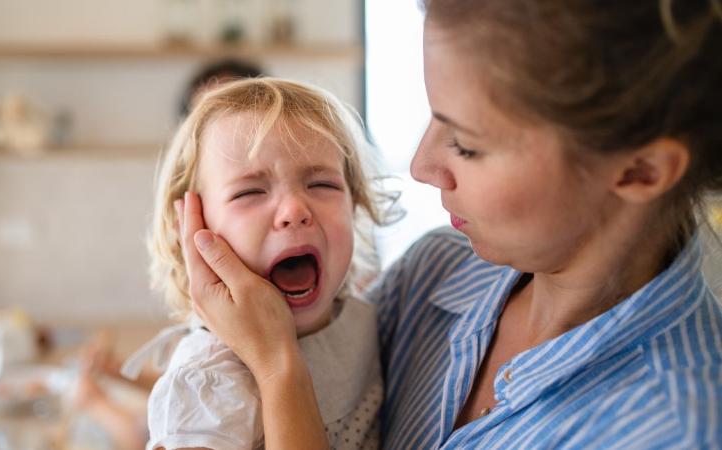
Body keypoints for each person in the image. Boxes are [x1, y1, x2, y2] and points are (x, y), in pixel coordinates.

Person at [177, 0, 722, 448]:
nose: (421, 165)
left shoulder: (671, 431)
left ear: (640, 169)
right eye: (433, 117)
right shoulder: (436, 268)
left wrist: (278, 368)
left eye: (466, 143)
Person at [142, 77, 393, 450]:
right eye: (250, 192)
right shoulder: (209, 380)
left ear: (354, 205)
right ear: (193, 227)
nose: (294, 211)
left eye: (323, 185)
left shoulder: (365, 319)